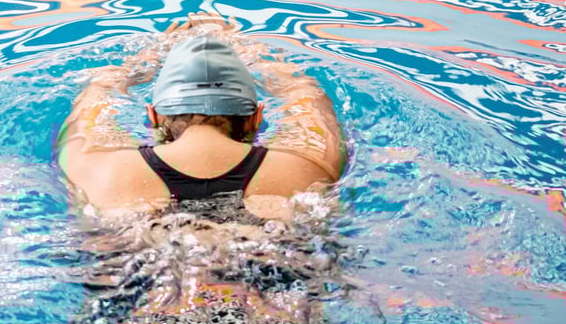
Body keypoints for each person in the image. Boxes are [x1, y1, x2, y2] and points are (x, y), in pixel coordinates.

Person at [56, 13, 348, 221]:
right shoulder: (305, 166)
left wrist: (143, 61)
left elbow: (95, 96)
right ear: (256, 117)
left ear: (153, 116)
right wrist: (254, 53)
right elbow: (307, 96)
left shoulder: (101, 169)